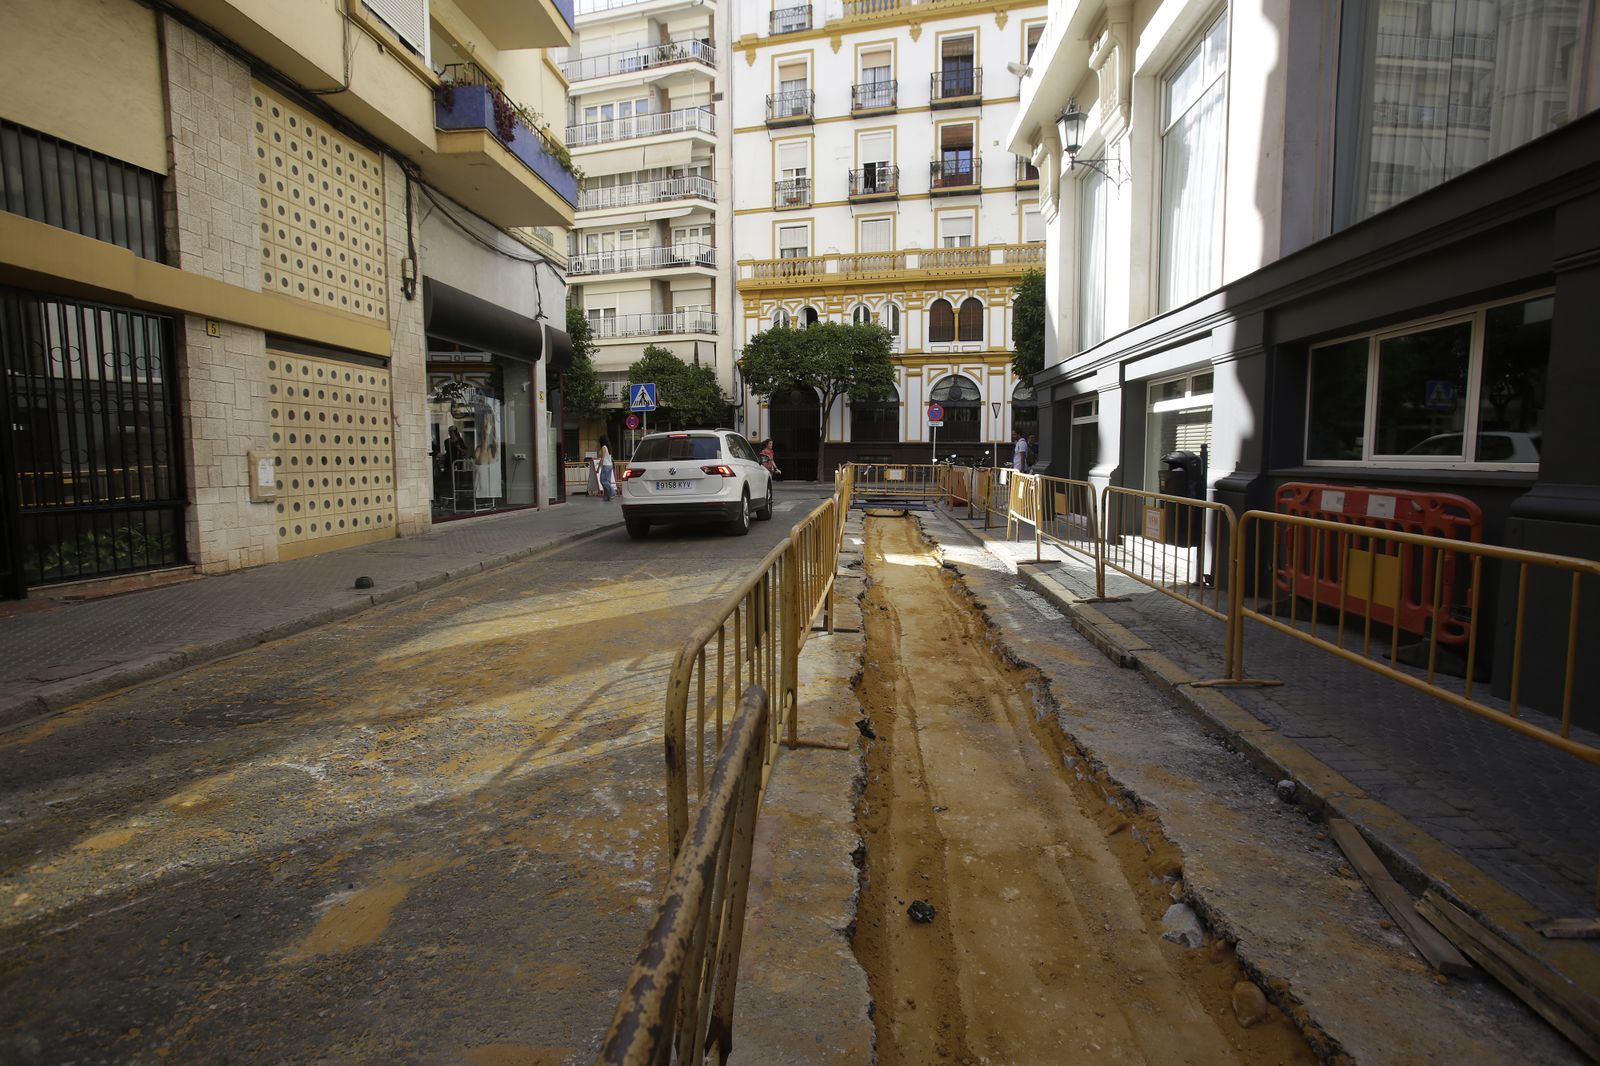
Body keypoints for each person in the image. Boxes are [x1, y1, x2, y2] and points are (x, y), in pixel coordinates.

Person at [596, 435, 615, 502]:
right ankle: (606, 497)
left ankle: (612, 492)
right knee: (607, 481)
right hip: (609, 465)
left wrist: (598, 468)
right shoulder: (608, 447)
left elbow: (602, 458)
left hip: (605, 465)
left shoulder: (603, 447)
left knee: (603, 481)